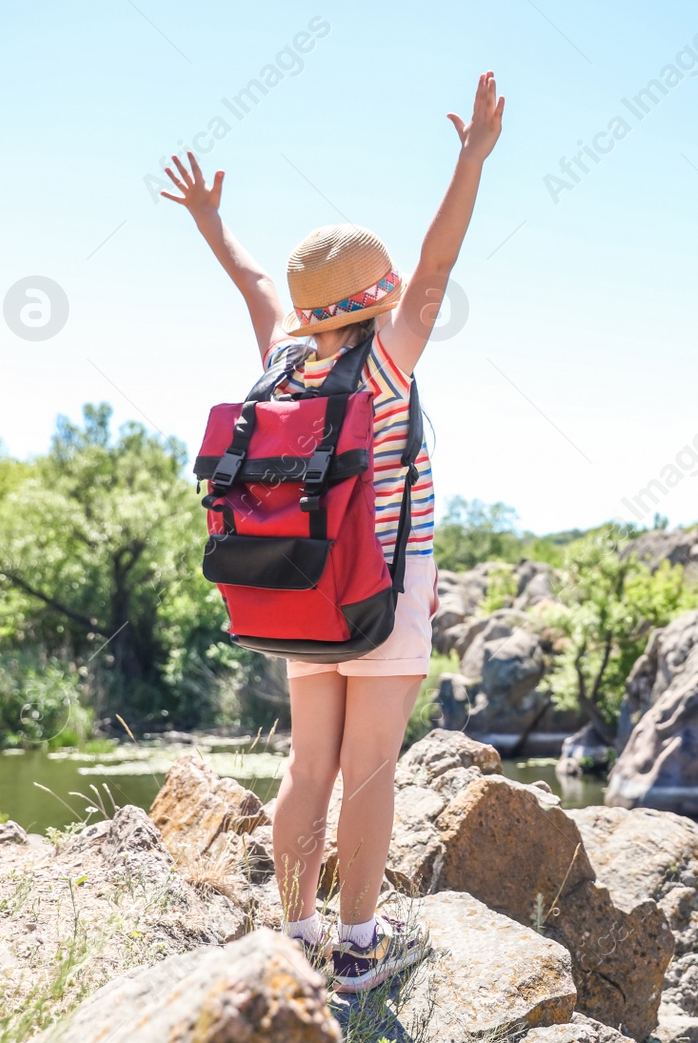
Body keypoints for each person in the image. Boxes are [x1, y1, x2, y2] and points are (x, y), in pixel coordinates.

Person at [160, 72, 504, 991]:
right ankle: (358, 947)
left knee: (307, 765)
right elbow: (436, 268)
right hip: (384, 596)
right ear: (375, 299)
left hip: (301, 587)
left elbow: (255, 280)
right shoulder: (388, 365)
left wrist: (208, 219)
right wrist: (470, 160)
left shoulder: (281, 365)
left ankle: (298, 932)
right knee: (371, 769)